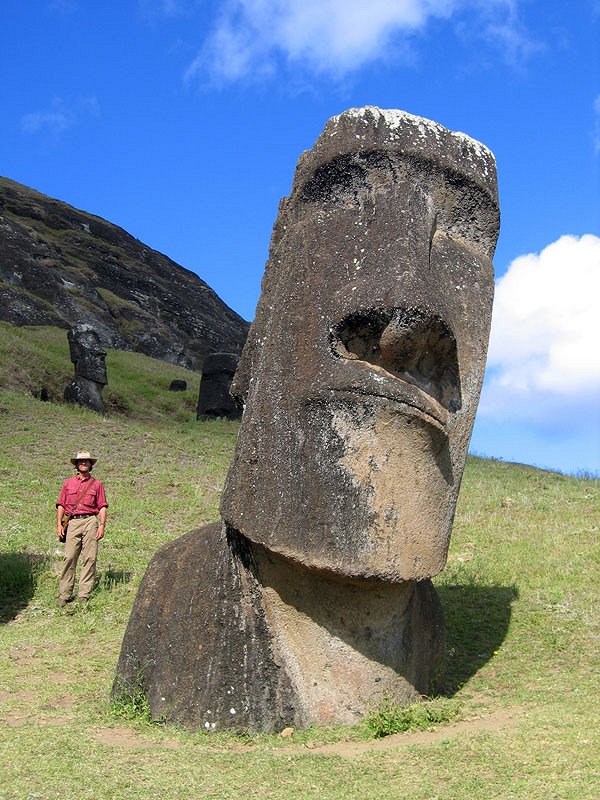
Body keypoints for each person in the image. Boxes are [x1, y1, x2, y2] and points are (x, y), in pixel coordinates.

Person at [56, 451, 108, 606]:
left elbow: (102, 506)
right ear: (76, 465)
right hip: (72, 522)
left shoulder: (97, 484)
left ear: (91, 464)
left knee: (90, 557)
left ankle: (84, 594)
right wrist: (59, 524)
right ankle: (64, 594)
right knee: (69, 557)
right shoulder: (68, 483)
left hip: (90, 521)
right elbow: (61, 505)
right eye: (81, 461)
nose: (83, 463)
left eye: (86, 461)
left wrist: (102, 525)